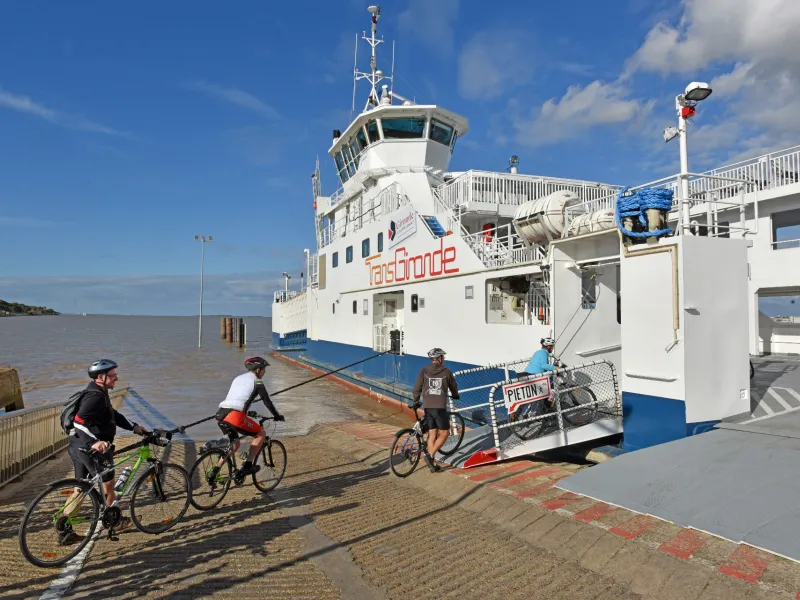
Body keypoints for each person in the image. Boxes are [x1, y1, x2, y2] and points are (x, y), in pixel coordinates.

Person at [64, 359, 148, 544]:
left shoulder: (98, 392)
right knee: (108, 484)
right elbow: (79, 421)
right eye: (112, 375)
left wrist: (133, 427)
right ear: (101, 377)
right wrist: (94, 442)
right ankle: (113, 522)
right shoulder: (95, 397)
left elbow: (112, 415)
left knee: (81, 488)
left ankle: (64, 529)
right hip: (92, 450)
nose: (116, 378)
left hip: (77, 446)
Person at [212, 357, 284, 480]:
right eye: (264, 369)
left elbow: (238, 397)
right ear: (258, 370)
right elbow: (267, 401)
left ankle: (214, 472)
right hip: (235, 416)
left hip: (221, 414)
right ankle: (247, 465)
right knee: (260, 434)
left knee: (235, 445)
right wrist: (277, 415)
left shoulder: (238, 378)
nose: (265, 372)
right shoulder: (258, 382)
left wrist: (245, 411)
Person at [412, 348, 460, 473]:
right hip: (439, 408)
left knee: (432, 434)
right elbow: (453, 386)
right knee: (444, 434)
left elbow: (417, 387)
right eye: (443, 357)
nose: (443, 359)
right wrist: (455, 394)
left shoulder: (424, 370)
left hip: (427, 407)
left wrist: (416, 401)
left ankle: (432, 463)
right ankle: (430, 455)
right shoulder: (447, 371)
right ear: (439, 358)